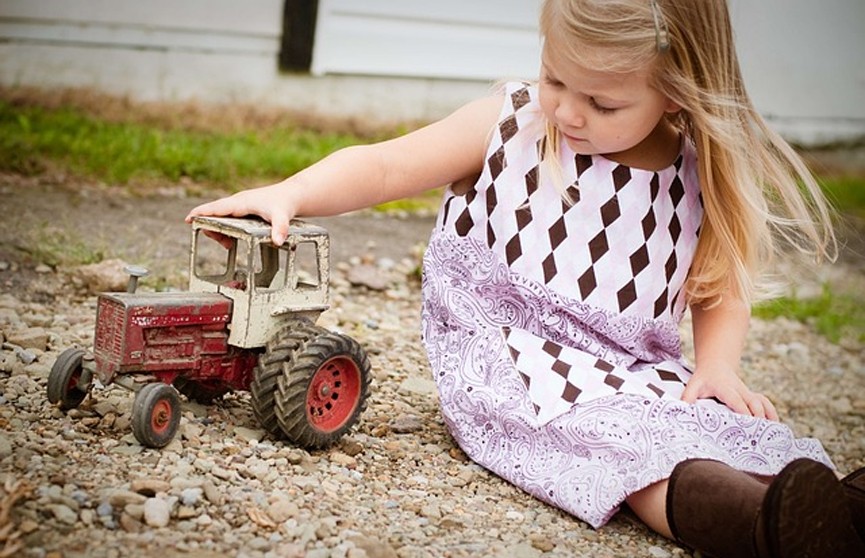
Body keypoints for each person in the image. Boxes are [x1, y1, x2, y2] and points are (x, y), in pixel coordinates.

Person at [187, 0, 864, 555]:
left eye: (601, 101)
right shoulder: (511, 126)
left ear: (677, 95)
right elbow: (388, 166)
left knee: (712, 425)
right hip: (514, 361)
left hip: (628, 366)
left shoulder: (693, 170)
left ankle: (829, 511)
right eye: (555, 78)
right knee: (626, 456)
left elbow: (718, 280)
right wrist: (292, 193)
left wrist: (716, 365)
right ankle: (758, 528)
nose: (568, 111)